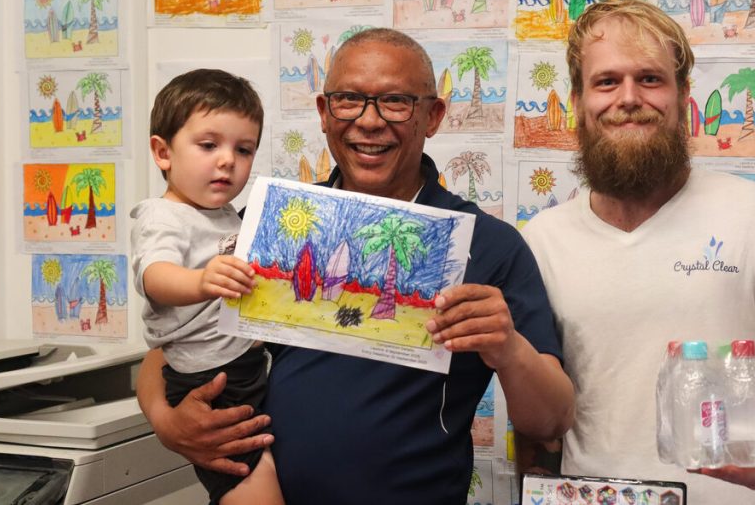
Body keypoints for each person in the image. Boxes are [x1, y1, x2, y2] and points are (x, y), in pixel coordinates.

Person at [136, 29, 576, 503]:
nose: (369, 121)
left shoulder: (490, 244)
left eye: (396, 102)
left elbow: (550, 420)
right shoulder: (270, 224)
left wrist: (507, 347)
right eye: (349, 100)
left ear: (433, 116)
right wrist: (167, 423)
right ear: (325, 114)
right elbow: (171, 349)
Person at [518, 0, 755, 504]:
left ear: (683, 97)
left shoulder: (754, 213)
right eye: (607, 81)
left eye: (651, 80)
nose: (629, 98)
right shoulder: (542, 238)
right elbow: (541, 419)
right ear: (578, 99)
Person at [130, 69, 284, 505]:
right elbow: (154, 277)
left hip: (245, 368)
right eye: (209, 145)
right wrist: (201, 281)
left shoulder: (225, 215)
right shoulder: (163, 217)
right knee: (252, 487)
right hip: (213, 379)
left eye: (244, 149)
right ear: (162, 152)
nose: (227, 161)